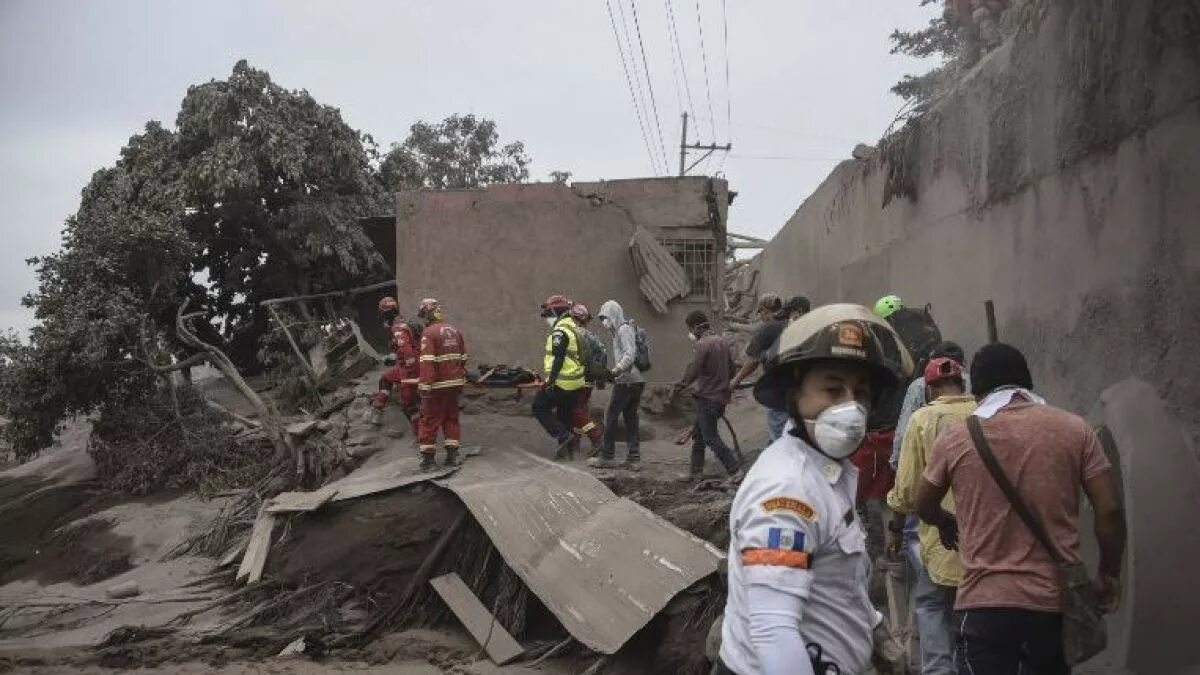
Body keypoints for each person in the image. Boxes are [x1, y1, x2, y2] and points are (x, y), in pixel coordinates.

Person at [715, 303, 913, 675]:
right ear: (794, 395)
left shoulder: (828, 474)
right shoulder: (786, 494)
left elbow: (834, 577)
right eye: (833, 389)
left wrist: (873, 627)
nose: (851, 407)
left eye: (861, 393)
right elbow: (774, 631)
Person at [916, 343, 1126, 675]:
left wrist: (945, 522)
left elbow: (923, 503)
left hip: (983, 606)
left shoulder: (956, 438)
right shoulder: (1075, 429)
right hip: (1053, 606)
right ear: (1027, 381)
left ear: (977, 389)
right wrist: (1108, 574)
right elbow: (1110, 509)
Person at [886, 356, 976, 675]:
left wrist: (895, 528)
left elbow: (908, 489)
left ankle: (939, 670)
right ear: (962, 384)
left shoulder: (924, 419)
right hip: (987, 539)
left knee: (931, 602)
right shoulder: (985, 412)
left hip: (943, 534)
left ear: (928, 389)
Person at [731, 294, 811, 443]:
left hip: (779, 396)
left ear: (765, 310)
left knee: (781, 439)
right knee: (784, 435)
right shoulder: (800, 327)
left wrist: (735, 381)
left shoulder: (769, 328)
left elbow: (752, 361)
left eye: (760, 311)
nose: (760, 316)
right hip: (800, 394)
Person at [675, 310, 740, 481]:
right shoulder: (722, 342)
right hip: (720, 398)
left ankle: (734, 469)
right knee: (699, 435)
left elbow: (694, 369)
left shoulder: (703, 344)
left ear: (696, 327)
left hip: (707, 397)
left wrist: (682, 384)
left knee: (710, 437)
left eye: (690, 328)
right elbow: (732, 369)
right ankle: (695, 473)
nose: (690, 333)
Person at [589, 300, 645, 470]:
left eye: (605, 317)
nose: (604, 321)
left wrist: (616, 370)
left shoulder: (623, 330)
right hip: (634, 380)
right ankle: (633, 458)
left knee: (611, 415)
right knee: (630, 417)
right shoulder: (620, 331)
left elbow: (629, 354)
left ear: (614, 315)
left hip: (627, 380)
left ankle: (607, 456)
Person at [415, 298, 467, 471]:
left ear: (428, 314)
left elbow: (427, 361)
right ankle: (453, 456)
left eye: (423, 314)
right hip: (455, 384)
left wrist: (424, 385)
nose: (423, 319)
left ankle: (429, 462)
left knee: (429, 419)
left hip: (437, 386)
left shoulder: (429, 333)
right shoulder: (455, 330)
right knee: (451, 418)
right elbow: (463, 358)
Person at [532, 294, 587, 460]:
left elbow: (559, 357)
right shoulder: (574, 327)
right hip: (576, 381)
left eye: (549, 315)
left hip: (563, 381)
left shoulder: (560, 331)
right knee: (564, 413)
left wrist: (551, 380)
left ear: (556, 313)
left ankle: (563, 436)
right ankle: (566, 452)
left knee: (539, 406)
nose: (547, 319)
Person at [369, 297, 421, 434]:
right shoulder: (403, 323)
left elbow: (406, 350)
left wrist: (409, 374)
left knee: (407, 404)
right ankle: (377, 407)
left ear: (387, 313)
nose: (382, 318)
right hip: (409, 365)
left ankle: (421, 437)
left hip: (410, 369)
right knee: (385, 378)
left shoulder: (398, 328)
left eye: (383, 313)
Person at [565, 303, 606, 457]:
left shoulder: (575, 335)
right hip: (588, 379)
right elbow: (603, 353)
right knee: (577, 410)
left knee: (576, 411)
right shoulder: (591, 336)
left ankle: (596, 438)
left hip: (578, 379)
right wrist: (599, 375)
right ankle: (575, 442)